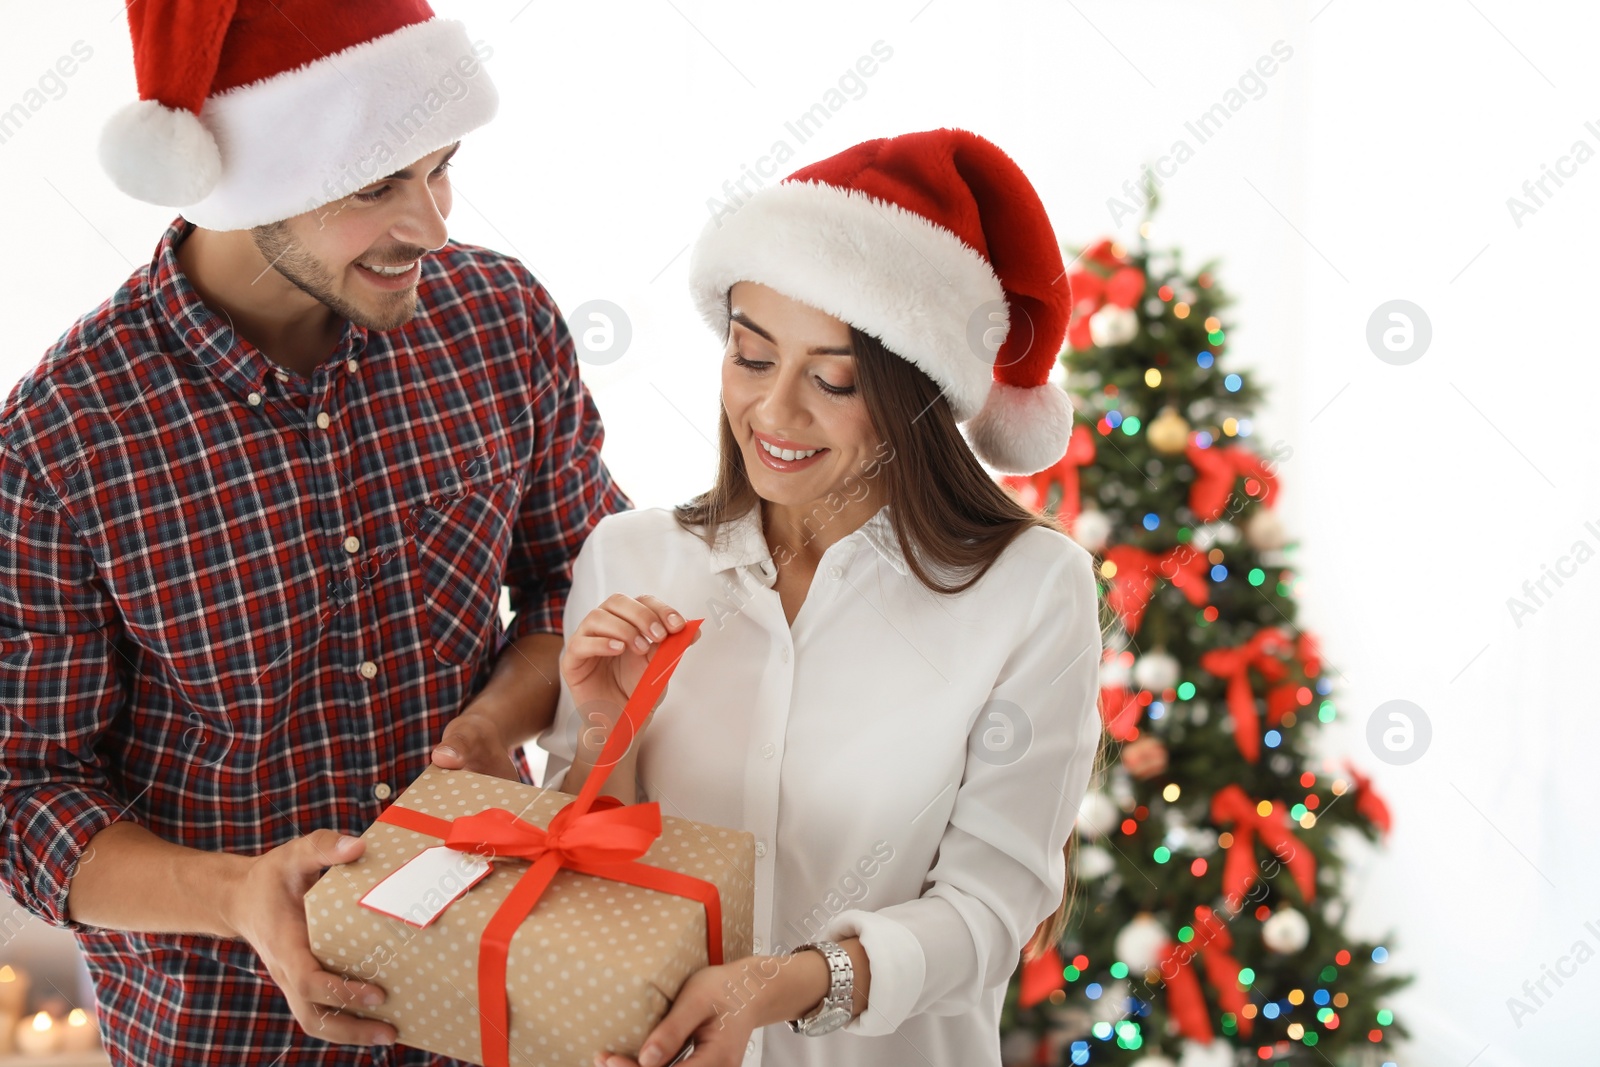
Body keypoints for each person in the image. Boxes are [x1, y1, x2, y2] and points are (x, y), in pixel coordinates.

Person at [0, 2, 627, 1063]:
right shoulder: (61, 441)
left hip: (494, 999)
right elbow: (26, 791)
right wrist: (240, 893)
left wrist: (486, 727)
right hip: (228, 1033)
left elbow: (583, 580)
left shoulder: (496, 321)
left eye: (441, 169)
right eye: (378, 185)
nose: (429, 223)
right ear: (251, 184)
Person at [538, 129, 1106, 1067]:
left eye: (833, 379)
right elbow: (585, 888)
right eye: (752, 358)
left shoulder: (1031, 590)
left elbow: (991, 911)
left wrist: (778, 988)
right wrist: (612, 729)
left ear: (919, 394)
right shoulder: (632, 556)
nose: (775, 413)